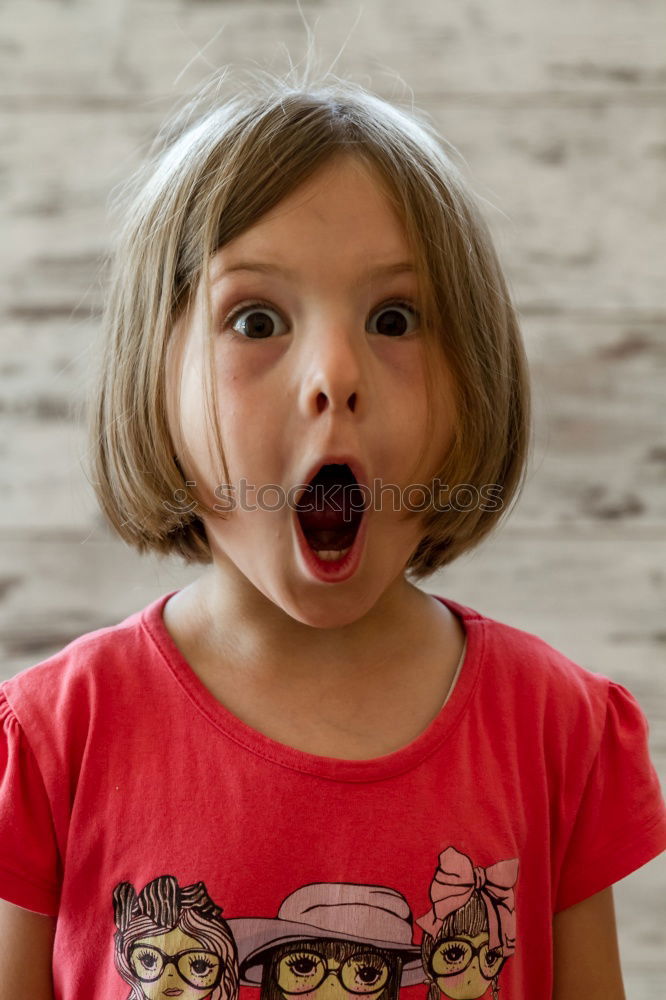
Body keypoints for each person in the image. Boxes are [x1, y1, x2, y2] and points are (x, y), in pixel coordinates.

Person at [0, 61, 664, 1000]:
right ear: (153, 374)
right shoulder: (51, 743)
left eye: (394, 318)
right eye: (258, 318)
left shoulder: (557, 733)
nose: (334, 374)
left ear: (476, 377)